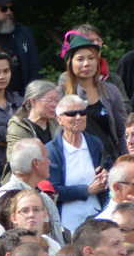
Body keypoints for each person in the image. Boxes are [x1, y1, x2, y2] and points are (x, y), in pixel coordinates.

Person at [46, 96, 108, 232]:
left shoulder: (95, 143)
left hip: (96, 214)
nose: (78, 117)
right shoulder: (51, 150)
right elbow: (53, 191)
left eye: (82, 112)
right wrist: (87, 190)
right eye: (71, 114)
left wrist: (106, 175)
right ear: (59, 119)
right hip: (66, 220)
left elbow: (108, 165)